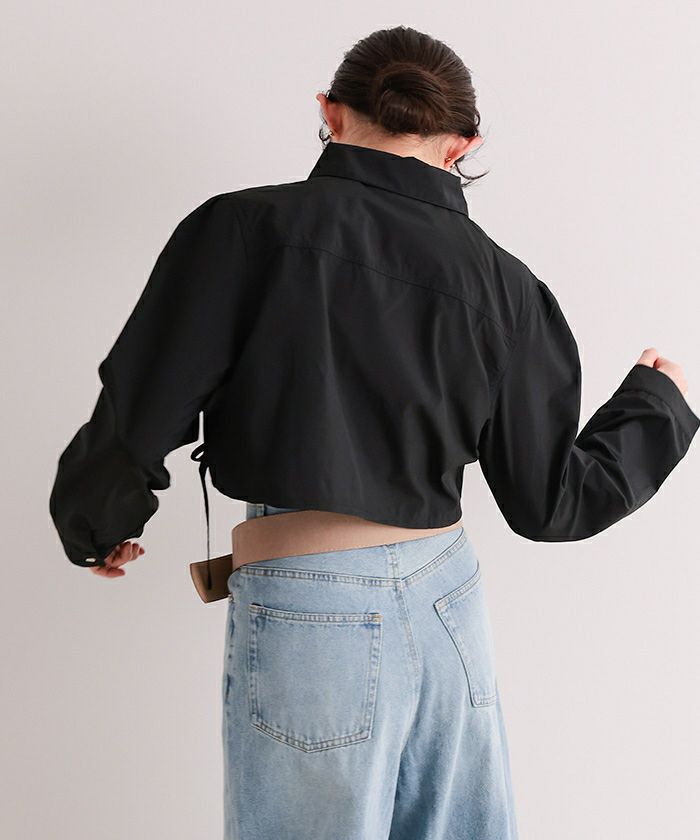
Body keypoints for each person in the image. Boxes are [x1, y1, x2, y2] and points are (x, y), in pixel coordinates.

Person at [49, 25, 698, 840]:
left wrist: (97, 524)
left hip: (310, 597)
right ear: (463, 145)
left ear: (330, 112)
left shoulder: (242, 230)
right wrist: (655, 406)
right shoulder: (507, 287)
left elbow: (141, 408)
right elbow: (550, 504)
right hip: (450, 600)